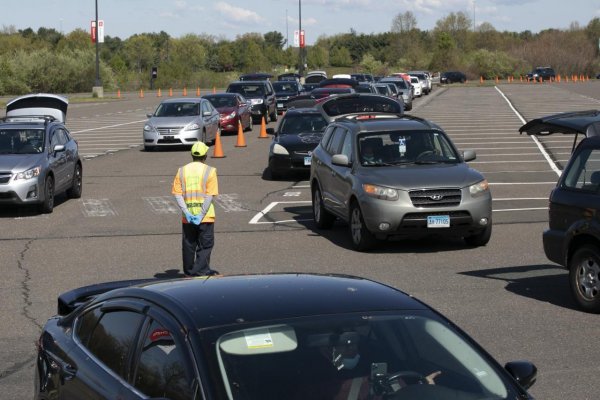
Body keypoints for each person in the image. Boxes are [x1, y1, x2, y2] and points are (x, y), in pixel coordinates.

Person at [172, 141, 219, 276]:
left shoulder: (182, 171)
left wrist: (187, 212)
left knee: (188, 245)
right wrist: (201, 213)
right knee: (205, 245)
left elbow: (177, 194)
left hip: (187, 217)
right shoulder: (210, 171)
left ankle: (189, 272)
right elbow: (209, 196)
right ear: (205, 156)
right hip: (205, 216)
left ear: (191, 155)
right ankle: (200, 272)